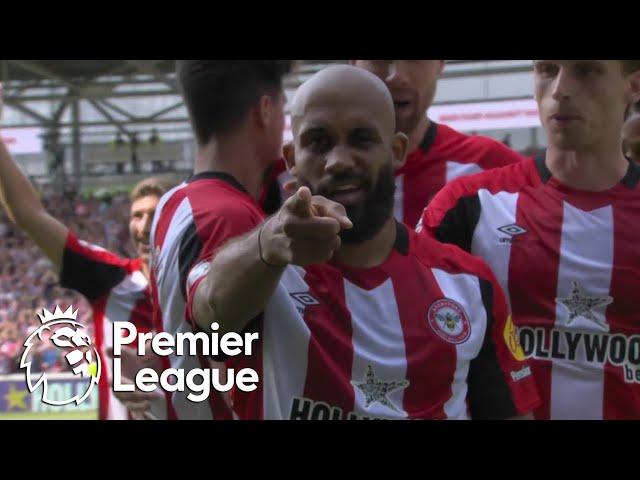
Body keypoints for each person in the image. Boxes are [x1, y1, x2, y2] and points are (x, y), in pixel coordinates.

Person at [188, 65, 539, 420]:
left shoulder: (468, 285)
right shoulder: (263, 271)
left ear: (397, 150)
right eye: (319, 142)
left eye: (362, 139)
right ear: (292, 160)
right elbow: (209, 313)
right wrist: (267, 246)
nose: (339, 162)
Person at [418, 60, 640, 419]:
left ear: (634, 85)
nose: (560, 89)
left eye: (585, 70)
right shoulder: (468, 206)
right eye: (547, 69)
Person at [0, 82, 170, 420]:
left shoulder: (209, 289)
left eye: (156, 214)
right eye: (137, 215)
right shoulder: (112, 280)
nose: (144, 224)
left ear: (176, 222)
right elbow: (28, 214)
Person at [150, 60, 292, 420]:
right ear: (264, 110)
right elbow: (229, 362)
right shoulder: (231, 218)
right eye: (284, 108)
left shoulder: (175, 201)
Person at [350, 60, 525, 227]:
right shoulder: (326, 173)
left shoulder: (491, 165)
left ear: (440, 63)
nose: (397, 75)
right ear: (353, 63)